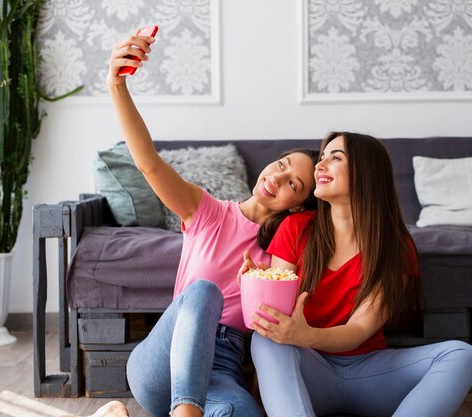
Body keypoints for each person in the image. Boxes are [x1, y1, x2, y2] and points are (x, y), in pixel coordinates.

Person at [66, 31, 318, 417]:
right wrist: (116, 86)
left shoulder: (286, 257)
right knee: (204, 292)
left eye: (293, 184)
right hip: (163, 362)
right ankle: (184, 411)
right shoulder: (210, 212)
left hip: (222, 370)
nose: (277, 178)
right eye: (282, 165)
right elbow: (149, 162)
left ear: (299, 207)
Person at [242, 132, 472, 417]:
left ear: (367, 173)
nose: (321, 165)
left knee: (462, 355)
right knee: (268, 338)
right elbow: (276, 315)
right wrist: (255, 285)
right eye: (322, 158)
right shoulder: (295, 228)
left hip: (371, 373)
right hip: (310, 376)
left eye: (335, 158)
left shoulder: (395, 246)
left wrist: (306, 336)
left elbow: (357, 332)